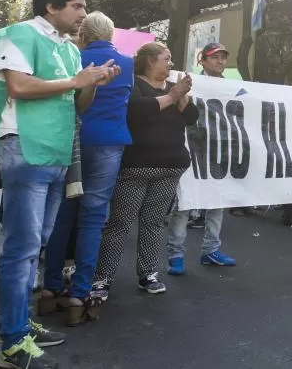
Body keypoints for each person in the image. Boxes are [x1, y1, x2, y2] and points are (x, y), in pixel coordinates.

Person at [0, 0, 119, 369]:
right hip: (24, 147)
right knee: (22, 247)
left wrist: (94, 83)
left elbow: (77, 105)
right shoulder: (18, 34)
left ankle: (20, 324)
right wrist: (76, 80)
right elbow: (17, 87)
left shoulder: (69, 49)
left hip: (56, 152)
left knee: (37, 243)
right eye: (76, 6)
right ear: (51, 8)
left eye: (84, 7)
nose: (83, 14)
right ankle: (12, 341)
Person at [38, 13, 133, 326]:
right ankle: (80, 294)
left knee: (62, 213)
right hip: (108, 143)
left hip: (71, 140)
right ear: (110, 34)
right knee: (94, 217)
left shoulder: (70, 57)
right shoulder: (127, 63)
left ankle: (50, 290)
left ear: (83, 34)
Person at [93, 43, 199, 299]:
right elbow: (137, 112)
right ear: (150, 61)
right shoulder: (134, 85)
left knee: (153, 223)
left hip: (170, 167)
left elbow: (192, 117)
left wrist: (180, 95)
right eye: (166, 58)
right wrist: (173, 97)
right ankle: (102, 278)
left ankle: (149, 273)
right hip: (136, 166)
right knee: (120, 223)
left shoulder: (173, 89)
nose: (170, 64)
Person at [167, 43, 237, 271]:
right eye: (214, 57)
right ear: (202, 61)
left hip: (219, 151)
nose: (219, 61)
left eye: (223, 57)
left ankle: (211, 250)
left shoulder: (232, 87)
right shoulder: (191, 85)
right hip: (192, 150)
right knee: (184, 202)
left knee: (217, 201)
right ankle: (176, 256)